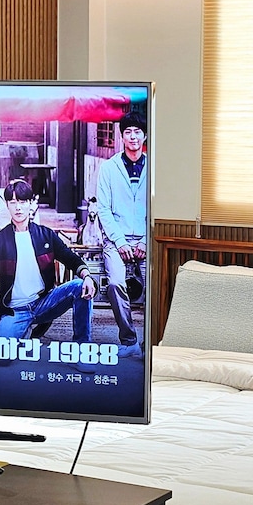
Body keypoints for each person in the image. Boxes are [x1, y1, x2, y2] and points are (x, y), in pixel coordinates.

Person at [0, 180, 96, 353]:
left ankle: (83, 348)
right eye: (13, 202)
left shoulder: (45, 235)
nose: (18, 208)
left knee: (79, 286)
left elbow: (71, 258)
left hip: (44, 303)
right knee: (2, 356)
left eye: (22, 202)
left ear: (31, 203)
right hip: (15, 310)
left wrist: (87, 276)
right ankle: (24, 330)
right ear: (7, 205)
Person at [95, 111, 148, 347]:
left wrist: (146, 240)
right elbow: (103, 209)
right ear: (121, 136)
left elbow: (158, 208)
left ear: (144, 136)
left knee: (156, 286)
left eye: (137, 132)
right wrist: (120, 241)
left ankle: (151, 343)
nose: (133, 137)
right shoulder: (108, 168)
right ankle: (129, 340)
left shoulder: (155, 166)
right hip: (116, 240)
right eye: (128, 132)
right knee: (116, 284)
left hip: (147, 239)